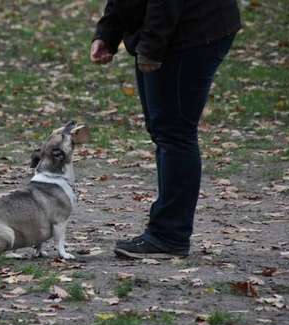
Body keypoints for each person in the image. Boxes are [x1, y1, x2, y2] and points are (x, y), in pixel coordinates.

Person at [91, 0, 241, 259]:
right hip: (168, 29)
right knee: (164, 129)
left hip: (190, 30)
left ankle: (169, 236)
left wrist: (151, 47)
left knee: (174, 132)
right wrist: (108, 32)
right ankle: (166, 233)